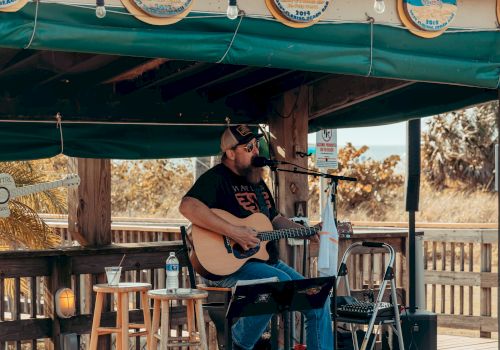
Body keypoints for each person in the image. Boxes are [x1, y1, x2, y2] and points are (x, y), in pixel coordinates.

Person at [179, 124, 333, 350]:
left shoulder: (257, 181)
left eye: (256, 146)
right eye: (248, 147)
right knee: (277, 285)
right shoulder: (216, 178)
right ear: (230, 153)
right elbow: (187, 206)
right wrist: (233, 231)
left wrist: (307, 231)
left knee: (318, 297)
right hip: (229, 266)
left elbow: (273, 219)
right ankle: (237, 343)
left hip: (265, 261)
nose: (255, 151)